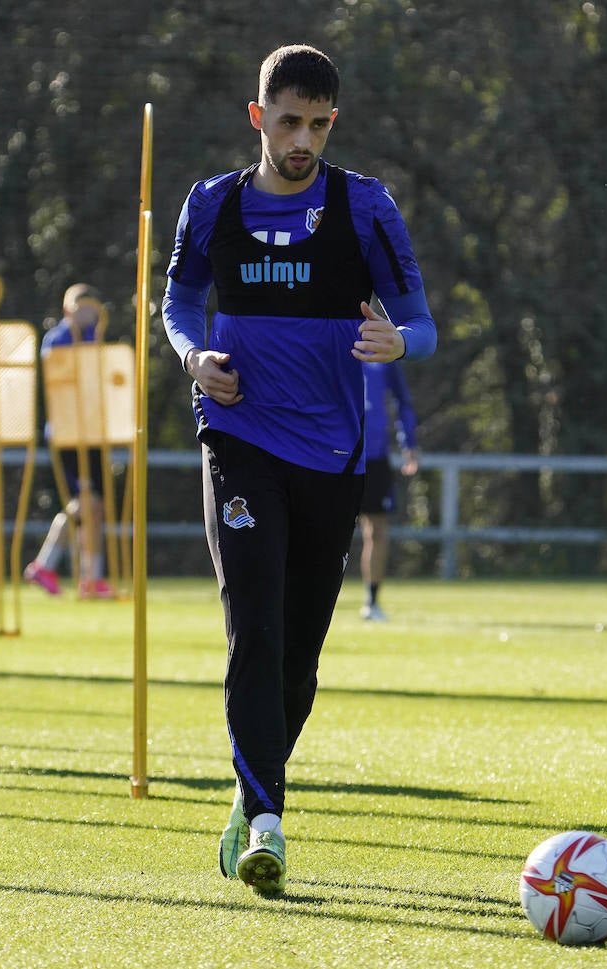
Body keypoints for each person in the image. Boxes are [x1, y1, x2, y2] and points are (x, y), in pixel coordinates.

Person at [162, 44, 437, 896]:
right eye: (289, 122)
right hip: (238, 434)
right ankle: (268, 820)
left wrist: (399, 341)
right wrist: (193, 356)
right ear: (258, 117)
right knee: (255, 626)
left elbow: (422, 322)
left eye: (318, 125)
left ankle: (249, 792)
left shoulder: (365, 206)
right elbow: (178, 301)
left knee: (299, 656)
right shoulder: (212, 204)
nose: (302, 140)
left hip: (331, 451)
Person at [24, 282, 115, 599]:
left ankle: (87, 576)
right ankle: (52, 566)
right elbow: (57, 377)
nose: (87, 313)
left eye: (91, 307)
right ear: (67, 310)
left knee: (94, 507)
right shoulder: (58, 338)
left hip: (91, 431)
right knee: (87, 503)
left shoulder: (94, 337)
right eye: (81, 307)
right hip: (69, 433)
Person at [358, 358, 420, 621]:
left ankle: (372, 601)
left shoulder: (383, 352)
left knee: (377, 529)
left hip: (375, 456)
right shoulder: (331, 343)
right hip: (334, 454)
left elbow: (401, 399)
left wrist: (409, 443)